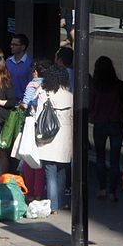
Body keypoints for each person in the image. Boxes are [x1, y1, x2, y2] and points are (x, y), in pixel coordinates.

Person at [89, 55, 123, 202]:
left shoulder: (95, 87)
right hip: (116, 123)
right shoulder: (119, 85)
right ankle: (112, 191)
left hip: (100, 124)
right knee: (115, 159)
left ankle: (102, 188)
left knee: (100, 157)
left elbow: (90, 105)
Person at [35, 65, 73, 213]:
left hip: (48, 138)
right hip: (66, 137)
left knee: (50, 171)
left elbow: (39, 116)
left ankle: (53, 206)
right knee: (62, 172)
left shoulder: (45, 94)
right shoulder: (70, 96)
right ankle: (61, 202)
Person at [20, 58, 52, 202]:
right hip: (47, 125)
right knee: (40, 161)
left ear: (35, 72)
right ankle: (39, 193)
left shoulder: (33, 84)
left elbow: (26, 104)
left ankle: (30, 192)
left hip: (32, 124)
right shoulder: (51, 84)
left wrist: (21, 105)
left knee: (28, 158)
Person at [6, 33, 32, 102]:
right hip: (8, 100)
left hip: (23, 101)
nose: (11, 46)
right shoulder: (8, 61)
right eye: (11, 44)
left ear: (23, 47)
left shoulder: (29, 63)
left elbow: (31, 84)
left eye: (15, 45)